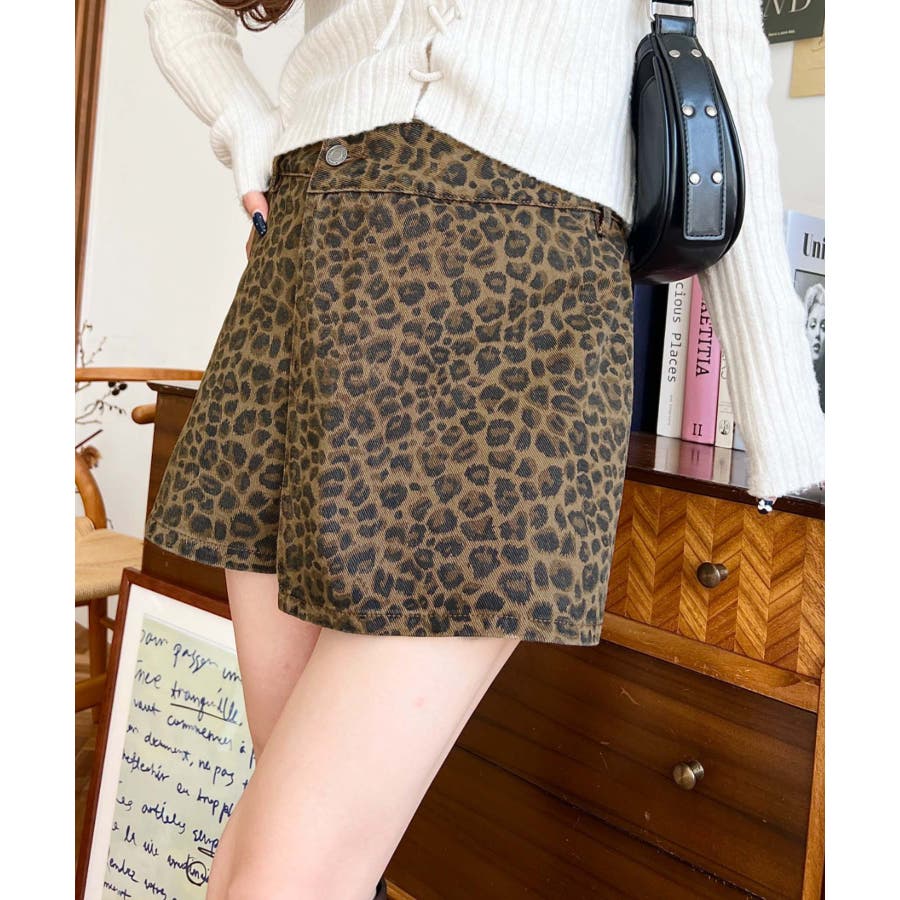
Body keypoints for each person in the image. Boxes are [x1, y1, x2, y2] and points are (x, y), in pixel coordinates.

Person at [141, 1, 826, 897]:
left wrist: (789, 434)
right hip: (307, 275)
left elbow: (726, 95)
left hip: (519, 308)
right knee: (278, 839)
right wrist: (247, 122)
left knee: (283, 871)